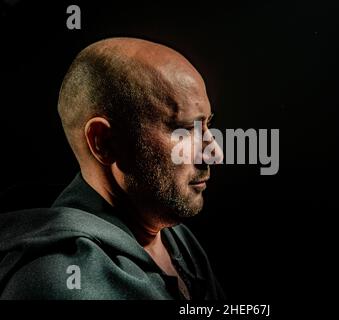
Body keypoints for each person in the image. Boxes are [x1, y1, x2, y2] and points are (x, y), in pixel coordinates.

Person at [0, 37, 225, 300]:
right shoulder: (60, 282)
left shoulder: (176, 239)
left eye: (206, 125)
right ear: (104, 143)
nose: (215, 154)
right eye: (186, 130)